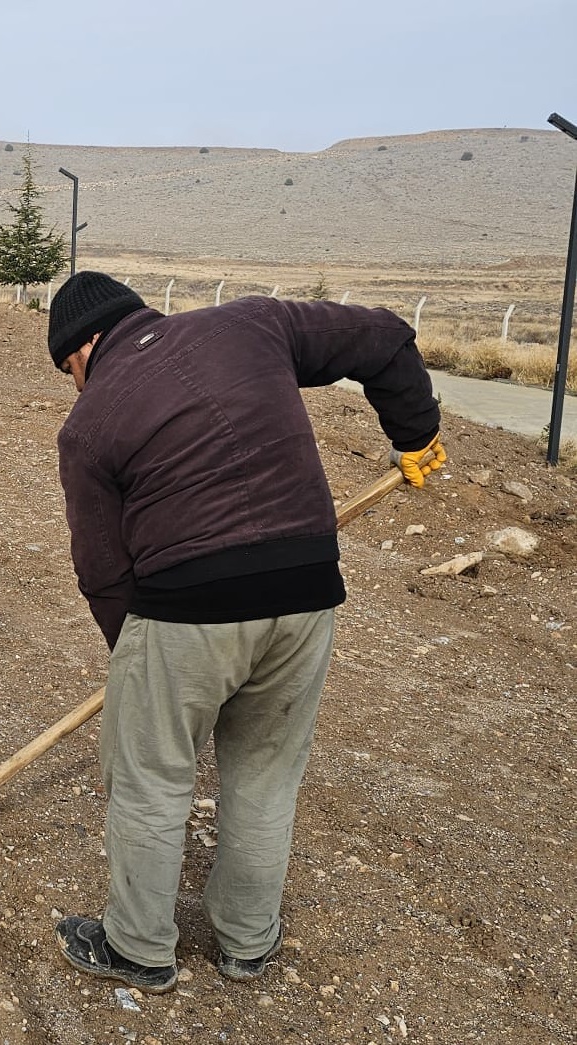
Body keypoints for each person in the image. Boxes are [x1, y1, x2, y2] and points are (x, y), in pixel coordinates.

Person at [45, 272, 445, 993]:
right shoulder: (252, 322)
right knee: (264, 774)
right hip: (305, 590)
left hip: (186, 601)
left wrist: (136, 661)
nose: (76, 385)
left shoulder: (88, 423)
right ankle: (247, 944)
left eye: (69, 372)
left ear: (81, 350)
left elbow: (103, 573)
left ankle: (137, 947)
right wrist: (415, 433)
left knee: (149, 777)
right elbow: (385, 335)